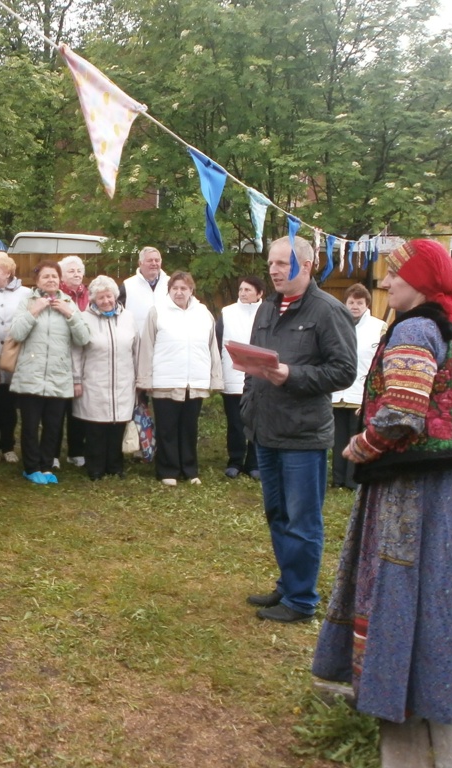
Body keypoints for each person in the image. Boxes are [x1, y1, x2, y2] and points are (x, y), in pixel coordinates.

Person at [313, 239, 452, 725]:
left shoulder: (415, 329)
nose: (385, 282)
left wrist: (360, 447)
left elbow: (402, 414)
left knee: (397, 578)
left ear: (422, 282)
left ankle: (388, 695)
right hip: (436, 484)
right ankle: (424, 690)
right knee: (432, 580)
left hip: (410, 485)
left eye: (396, 276)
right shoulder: (440, 325)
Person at [241, 236, 356, 622]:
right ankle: (289, 583)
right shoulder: (268, 307)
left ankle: (302, 600)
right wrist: (249, 404)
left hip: (303, 435)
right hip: (267, 428)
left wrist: (292, 375)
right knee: (277, 513)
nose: (272, 270)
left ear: (306, 265)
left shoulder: (327, 311)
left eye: (281, 264)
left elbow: (344, 371)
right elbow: (257, 360)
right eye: (270, 263)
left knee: (303, 519)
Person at [137, 271, 223, 487]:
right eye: (175, 288)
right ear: (169, 291)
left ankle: (189, 469)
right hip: (165, 381)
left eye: (183, 288)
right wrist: (144, 379)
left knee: (189, 428)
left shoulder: (203, 314)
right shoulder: (157, 312)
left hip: (194, 382)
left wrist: (215, 378)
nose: (179, 292)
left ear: (191, 290)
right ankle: (168, 470)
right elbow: (146, 347)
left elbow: (213, 348)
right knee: (167, 428)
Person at [9, 260, 91, 484]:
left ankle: (46, 466)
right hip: (30, 375)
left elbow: (84, 338)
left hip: (58, 375)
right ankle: (31, 466)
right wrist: (34, 311)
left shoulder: (68, 303)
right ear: (37, 281)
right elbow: (16, 333)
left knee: (53, 425)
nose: (51, 280)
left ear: (60, 280)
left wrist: (69, 314)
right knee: (30, 424)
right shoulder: (27, 302)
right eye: (46, 277)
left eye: (54, 276)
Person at [71, 275, 138, 481]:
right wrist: (76, 379)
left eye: (109, 296)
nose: (106, 301)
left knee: (118, 425)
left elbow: (136, 349)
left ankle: (115, 466)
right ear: (93, 300)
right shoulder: (83, 318)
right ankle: (95, 467)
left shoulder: (128, 317)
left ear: (115, 296)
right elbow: (76, 351)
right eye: (101, 298)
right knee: (95, 426)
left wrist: (139, 378)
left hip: (123, 379)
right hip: (94, 380)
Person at [330, 283, 387, 490]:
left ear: (367, 304)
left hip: (361, 395)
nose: (354, 306)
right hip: (338, 394)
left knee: (357, 438)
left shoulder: (378, 327)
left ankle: (352, 480)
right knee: (338, 439)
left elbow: (380, 365)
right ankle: (337, 479)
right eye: (351, 302)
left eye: (359, 302)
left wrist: (374, 394)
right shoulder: (336, 325)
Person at [0, 251, 30, 465]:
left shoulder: (25, 294)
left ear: (8, 272)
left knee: (10, 406)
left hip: (15, 358)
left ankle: (9, 445)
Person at [218, 275, 265, 480]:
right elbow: (218, 341)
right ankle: (235, 460)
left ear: (259, 293)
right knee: (235, 423)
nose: (243, 293)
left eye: (248, 290)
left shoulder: (268, 313)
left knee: (256, 422)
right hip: (232, 374)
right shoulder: (227, 312)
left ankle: (254, 463)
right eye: (241, 289)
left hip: (259, 377)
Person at [58, 255, 88, 467]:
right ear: (61, 275)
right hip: (60, 357)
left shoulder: (90, 295)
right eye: (71, 271)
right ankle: (52, 453)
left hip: (85, 358)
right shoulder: (58, 296)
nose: (76, 274)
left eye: (79, 271)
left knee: (79, 408)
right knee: (58, 409)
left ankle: (76, 450)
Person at [118, 246, 167, 331]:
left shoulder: (171, 284)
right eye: (150, 260)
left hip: (164, 340)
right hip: (138, 340)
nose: (154, 263)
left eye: (157, 260)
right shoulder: (127, 285)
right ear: (140, 263)